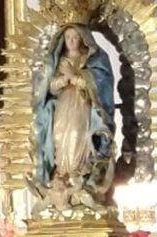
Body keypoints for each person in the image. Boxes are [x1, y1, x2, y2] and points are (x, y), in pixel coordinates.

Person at [36, 25, 115, 193]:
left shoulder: (91, 59)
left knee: (77, 135)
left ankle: (78, 175)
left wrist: (75, 77)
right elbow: (48, 88)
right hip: (63, 105)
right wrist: (64, 79)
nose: (71, 41)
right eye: (68, 37)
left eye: (75, 37)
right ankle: (61, 173)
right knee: (58, 135)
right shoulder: (58, 60)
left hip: (82, 104)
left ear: (83, 39)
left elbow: (100, 86)